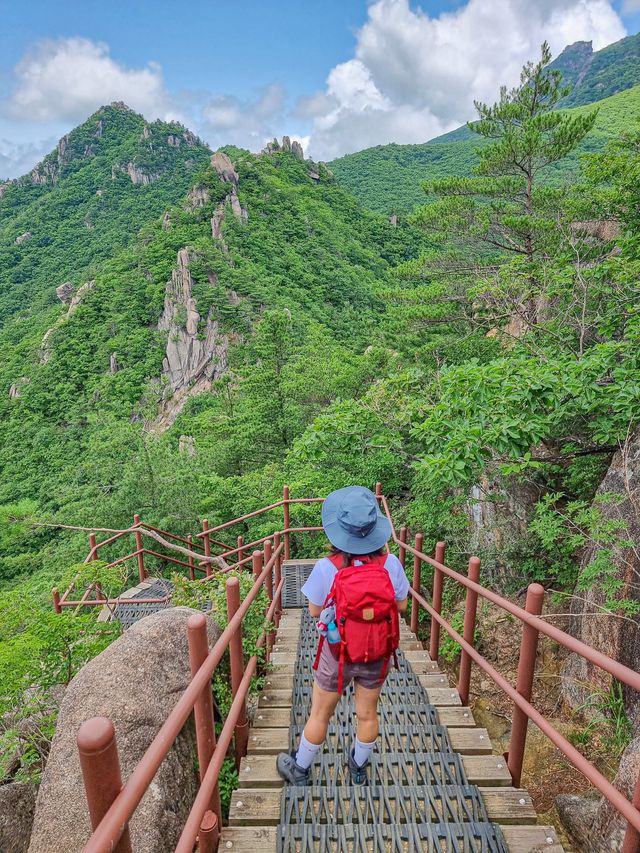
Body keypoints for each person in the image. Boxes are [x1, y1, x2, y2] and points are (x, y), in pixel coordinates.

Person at [276, 485, 410, 785]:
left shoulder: (327, 567)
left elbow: (312, 610)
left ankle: (299, 771)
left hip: (338, 653)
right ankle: (358, 768)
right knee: (367, 714)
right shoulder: (390, 564)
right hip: (377, 651)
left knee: (320, 714)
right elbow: (401, 605)